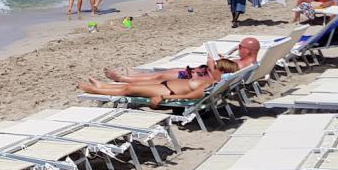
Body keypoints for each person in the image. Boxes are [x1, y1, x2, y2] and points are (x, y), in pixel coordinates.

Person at [78, 59, 239, 107]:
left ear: (222, 71)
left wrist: (163, 98)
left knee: (128, 90)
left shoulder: (210, 83)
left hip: (166, 92)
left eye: (216, 66)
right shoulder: (213, 80)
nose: (213, 66)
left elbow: (193, 95)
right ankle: (102, 86)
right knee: (129, 87)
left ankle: (95, 91)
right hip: (167, 86)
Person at [103, 38, 260, 85]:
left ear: (247, 50)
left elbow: (218, 77)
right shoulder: (248, 62)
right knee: (167, 72)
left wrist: (211, 61)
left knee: (161, 78)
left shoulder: (242, 64)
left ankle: (123, 79)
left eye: (240, 47)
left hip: (200, 79)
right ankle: (137, 74)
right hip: (199, 73)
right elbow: (225, 71)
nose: (238, 48)